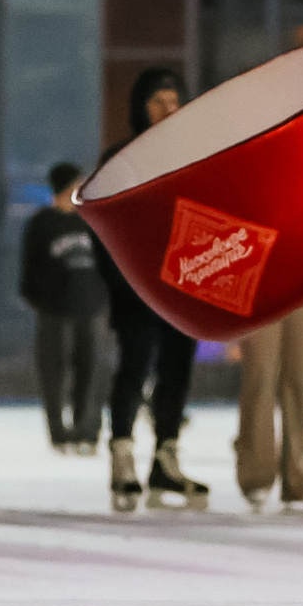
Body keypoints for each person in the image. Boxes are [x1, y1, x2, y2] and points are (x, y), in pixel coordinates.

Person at [98, 67, 210, 512]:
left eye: (174, 101)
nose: (168, 109)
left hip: (182, 283)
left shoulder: (195, 156)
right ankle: (122, 454)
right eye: (158, 101)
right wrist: (119, 280)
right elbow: (104, 226)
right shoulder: (120, 158)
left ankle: (166, 456)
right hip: (135, 286)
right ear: (140, 107)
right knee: (135, 364)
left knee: (177, 367)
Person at [21, 161, 108, 457]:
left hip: (90, 307)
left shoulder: (89, 221)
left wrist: (102, 299)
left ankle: (85, 430)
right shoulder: (42, 223)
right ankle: (59, 433)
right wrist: (40, 301)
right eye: (74, 185)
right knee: (53, 373)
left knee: (89, 369)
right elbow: (29, 269)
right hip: (55, 310)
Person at [234, 301, 303, 514]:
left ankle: (300, 478)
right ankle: (255, 476)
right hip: (261, 282)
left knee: (300, 379)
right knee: (259, 376)